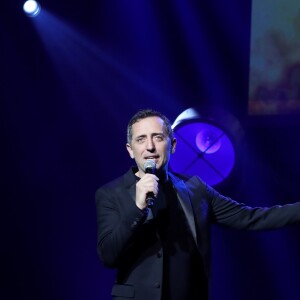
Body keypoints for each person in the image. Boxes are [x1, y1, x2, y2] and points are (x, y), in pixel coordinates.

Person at [95, 108, 300, 300]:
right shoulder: (111, 194)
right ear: (130, 150)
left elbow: (251, 218)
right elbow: (109, 256)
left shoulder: (195, 188)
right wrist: (137, 208)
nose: (150, 146)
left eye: (158, 137)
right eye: (141, 139)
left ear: (173, 145)